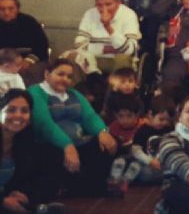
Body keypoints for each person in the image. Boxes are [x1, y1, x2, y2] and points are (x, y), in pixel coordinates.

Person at [28, 58, 117, 197]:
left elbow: (90, 117)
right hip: (51, 144)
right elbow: (44, 124)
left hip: (78, 142)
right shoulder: (35, 92)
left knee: (106, 142)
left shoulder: (74, 94)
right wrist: (67, 145)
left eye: (69, 77)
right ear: (47, 74)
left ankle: (85, 187)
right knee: (52, 154)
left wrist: (103, 131)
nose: (65, 79)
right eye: (60, 74)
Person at [0, 89, 64, 214]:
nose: (18, 115)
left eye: (24, 111)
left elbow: (42, 180)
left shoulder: (27, 143)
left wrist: (26, 195)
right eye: (11, 109)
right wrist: (2, 202)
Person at [74, 0, 141, 74]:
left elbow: (129, 50)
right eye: (99, 5)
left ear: (118, 3)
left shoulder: (129, 14)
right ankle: (80, 87)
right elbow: (79, 44)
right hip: (93, 57)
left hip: (117, 58)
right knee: (72, 57)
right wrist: (104, 49)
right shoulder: (90, 14)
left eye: (108, 4)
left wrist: (108, 27)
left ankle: (114, 87)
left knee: (122, 58)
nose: (103, 9)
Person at [0, 0, 49, 84]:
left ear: (17, 9)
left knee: (30, 72)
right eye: (2, 9)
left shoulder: (29, 22)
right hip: (3, 62)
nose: (6, 12)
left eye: (11, 8)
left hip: (30, 61)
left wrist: (28, 61)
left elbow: (42, 46)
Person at [131, 94, 174, 184]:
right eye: (161, 119)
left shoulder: (169, 129)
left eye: (168, 120)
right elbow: (136, 151)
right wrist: (149, 161)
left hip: (165, 164)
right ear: (150, 114)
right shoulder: (143, 130)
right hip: (148, 164)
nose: (165, 123)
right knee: (145, 173)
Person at [106, 93, 143, 197]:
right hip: (121, 157)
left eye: (129, 116)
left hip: (137, 157)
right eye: (121, 116)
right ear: (115, 115)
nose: (125, 120)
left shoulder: (142, 126)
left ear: (137, 114)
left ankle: (125, 182)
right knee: (119, 161)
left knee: (135, 165)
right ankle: (114, 181)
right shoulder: (114, 126)